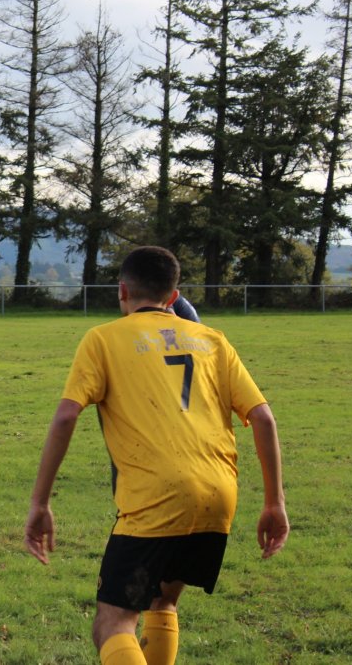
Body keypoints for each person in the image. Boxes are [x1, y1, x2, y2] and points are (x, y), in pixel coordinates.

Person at [23, 246, 289, 665]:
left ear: (122, 290)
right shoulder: (213, 340)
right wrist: (274, 503)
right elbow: (263, 418)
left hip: (156, 499)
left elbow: (66, 416)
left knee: (113, 624)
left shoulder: (104, 338)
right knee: (162, 602)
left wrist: (40, 502)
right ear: (174, 296)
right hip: (217, 496)